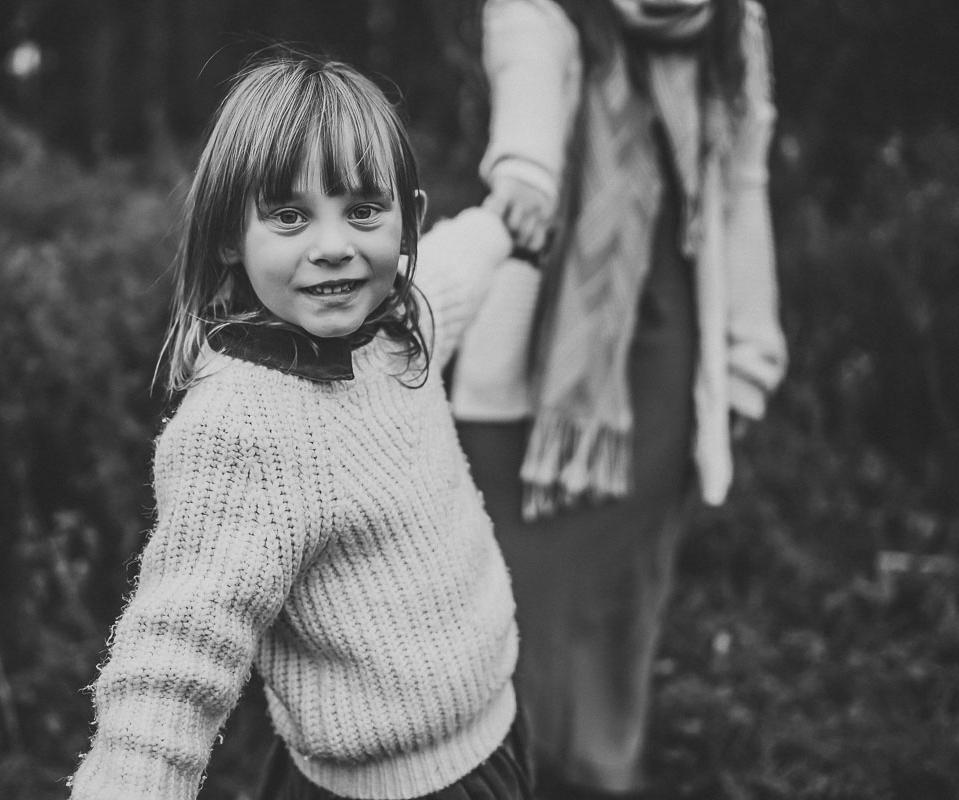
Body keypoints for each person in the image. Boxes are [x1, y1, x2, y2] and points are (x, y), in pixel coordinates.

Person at [67, 52, 533, 800]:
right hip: (377, 789)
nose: (332, 245)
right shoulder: (242, 426)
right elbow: (175, 656)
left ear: (407, 219)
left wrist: (503, 221)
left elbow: (455, 265)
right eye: (289, 215)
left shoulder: (397, 325)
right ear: (227, 237)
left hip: (495, 730)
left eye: (362, 211)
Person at [451, 0, 787, 797]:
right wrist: (524, 179)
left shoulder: (734, 26)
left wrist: (748, 355)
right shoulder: (540, 9)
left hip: (664, 367)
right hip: (531, 378)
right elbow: (527, 121)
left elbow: (744, 181)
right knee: (503, 609)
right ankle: (489, 777)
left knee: (616, 614)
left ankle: (599, 774)